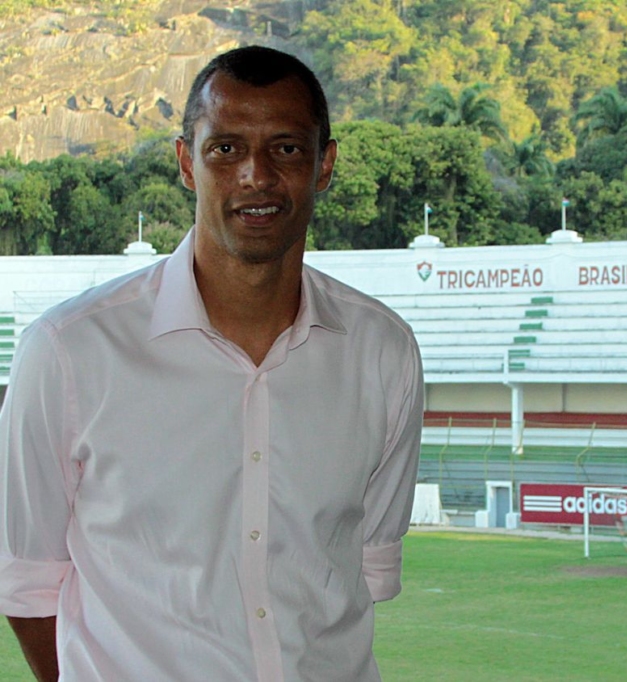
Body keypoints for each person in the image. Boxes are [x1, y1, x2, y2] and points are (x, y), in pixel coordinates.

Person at [0, 46, 423, 681]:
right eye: (225, 148)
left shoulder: (383, 352)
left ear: (324, 164)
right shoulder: (69, 350)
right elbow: (27, 580)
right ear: (186, 164)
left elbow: (362, 567)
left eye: (286, 148)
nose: (256, 175)